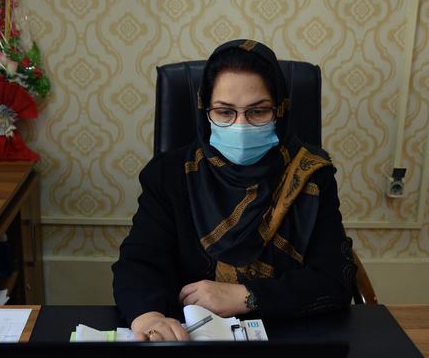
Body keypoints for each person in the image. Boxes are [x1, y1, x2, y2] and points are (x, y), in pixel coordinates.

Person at [112, 39, 356, 341]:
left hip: (286, 341)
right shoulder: (169, 174)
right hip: (186, 341)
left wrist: (248, 296)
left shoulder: (310, 176)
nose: (241, 125)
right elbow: (138, 262)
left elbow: (334, 279)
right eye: (225, 112)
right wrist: (149, 316)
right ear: (205, 110)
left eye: (258, 112)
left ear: (280, 110)